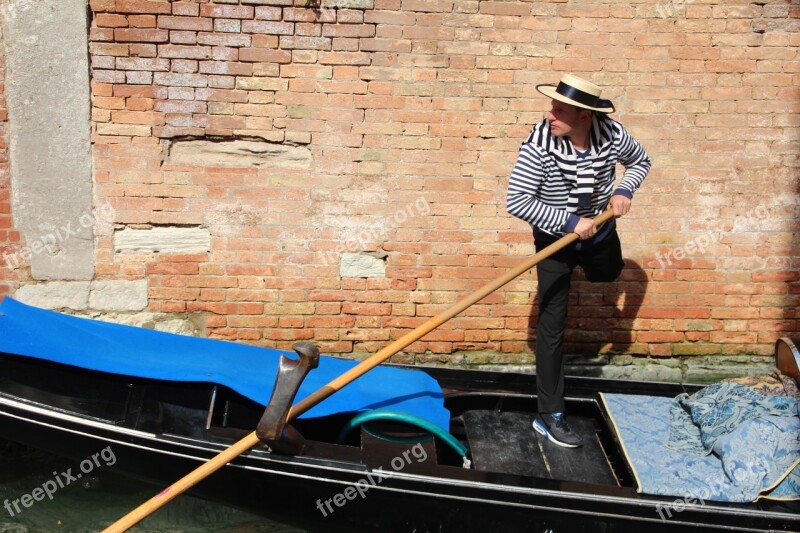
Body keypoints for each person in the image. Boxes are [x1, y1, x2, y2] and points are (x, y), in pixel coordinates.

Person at [506, 74, 651, 448]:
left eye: (560, 110)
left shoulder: (612, 133)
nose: (550, 115)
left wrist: (623, 190)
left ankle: (598, 257)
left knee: (608, 274)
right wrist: (571, 223)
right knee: (552, 324)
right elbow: (517, 201)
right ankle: (549, 414)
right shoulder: (538, 144)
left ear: (584, 116)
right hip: (555, 238)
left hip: (599, 232)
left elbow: (640, 161)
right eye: (552, 107)